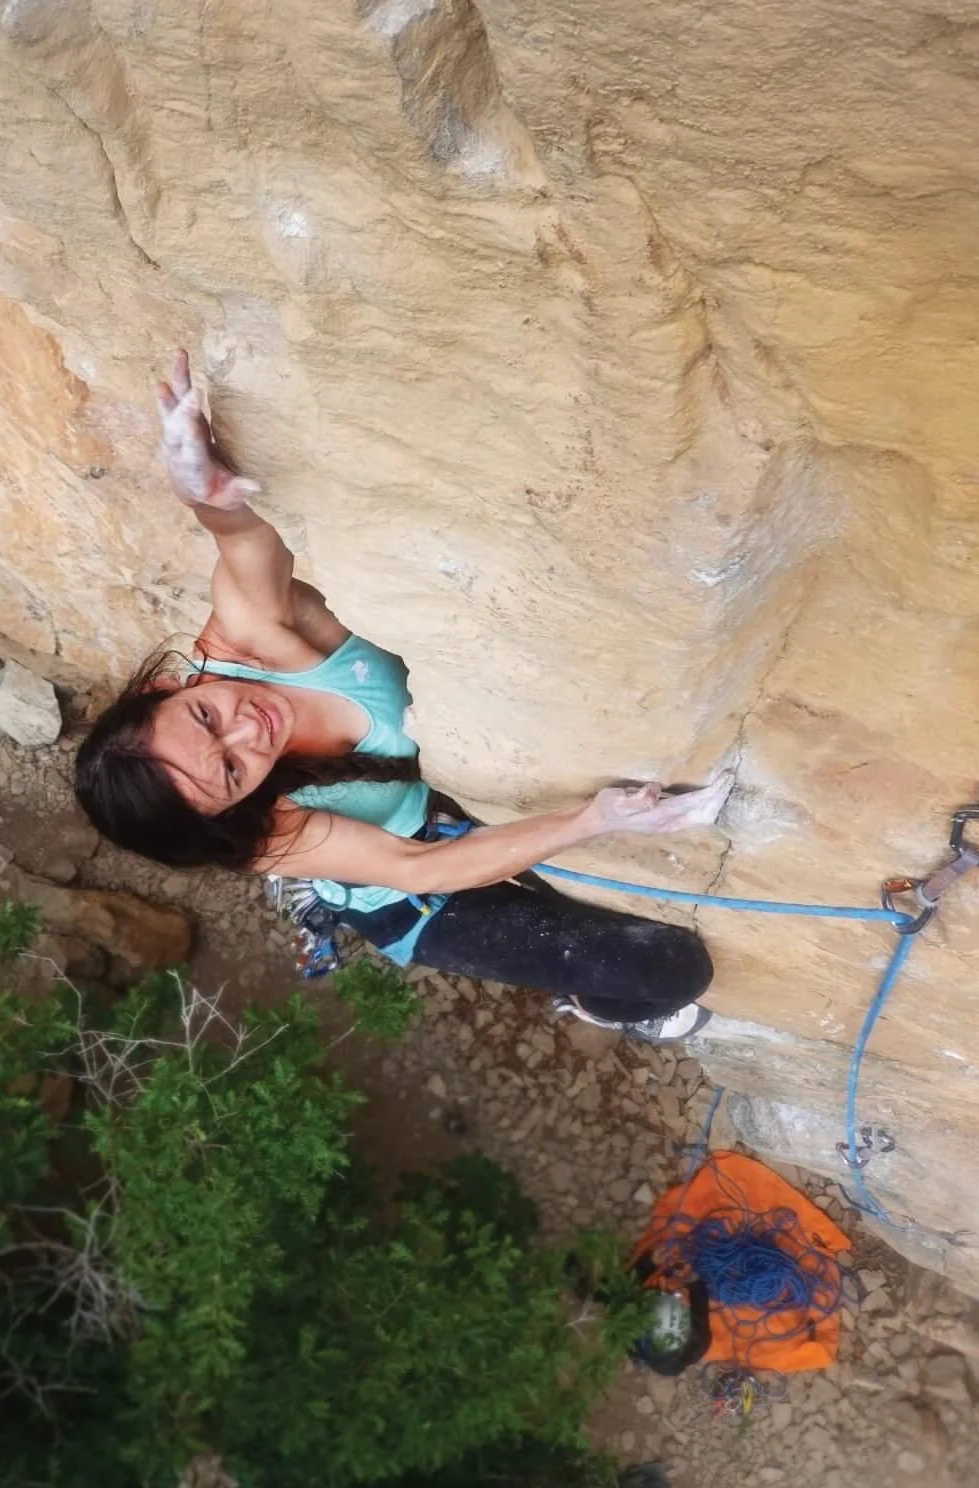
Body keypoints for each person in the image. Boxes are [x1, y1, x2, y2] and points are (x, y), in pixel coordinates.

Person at [74, 351, 732, 1041]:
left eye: (205, 716)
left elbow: (245, 549)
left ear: (164, 687)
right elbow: (421, 868)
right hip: (400, 896)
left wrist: (204, 495)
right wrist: (594, 819)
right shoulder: (268, 835)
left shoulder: (244, 644)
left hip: (428, 811)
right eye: (233, 771)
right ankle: (592, 1005)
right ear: (231, 810)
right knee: (672, 972)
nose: (250, 731)